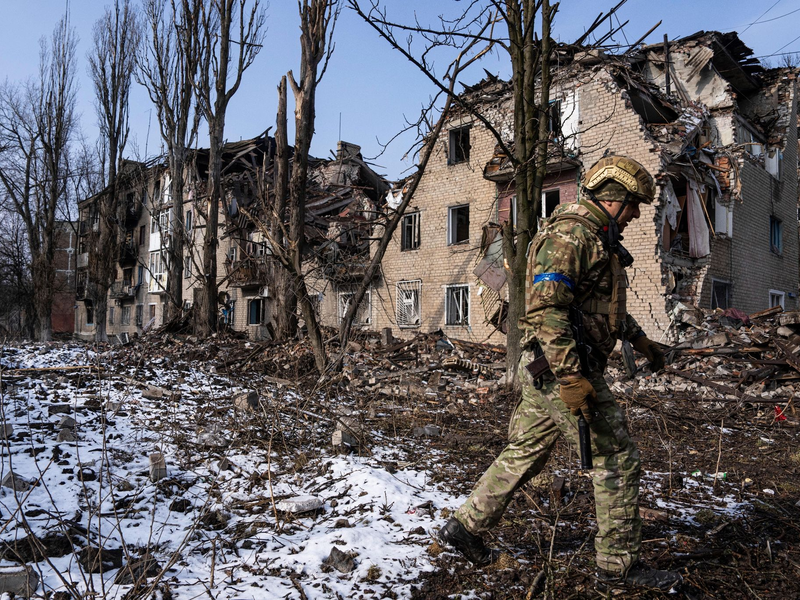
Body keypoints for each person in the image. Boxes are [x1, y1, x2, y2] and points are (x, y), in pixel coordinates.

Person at [438, 156, 682, 591]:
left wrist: (641, 340)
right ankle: (618, 568)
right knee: (616, 457)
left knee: (526, 450)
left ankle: (465, 527)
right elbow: (548, 310)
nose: (635, 215)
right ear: (613, 198)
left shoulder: (595, 238)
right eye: (633, 205)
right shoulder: (570, 236)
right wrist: (571, 378)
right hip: (560, 368)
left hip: (550, 367)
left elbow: (598, 307)